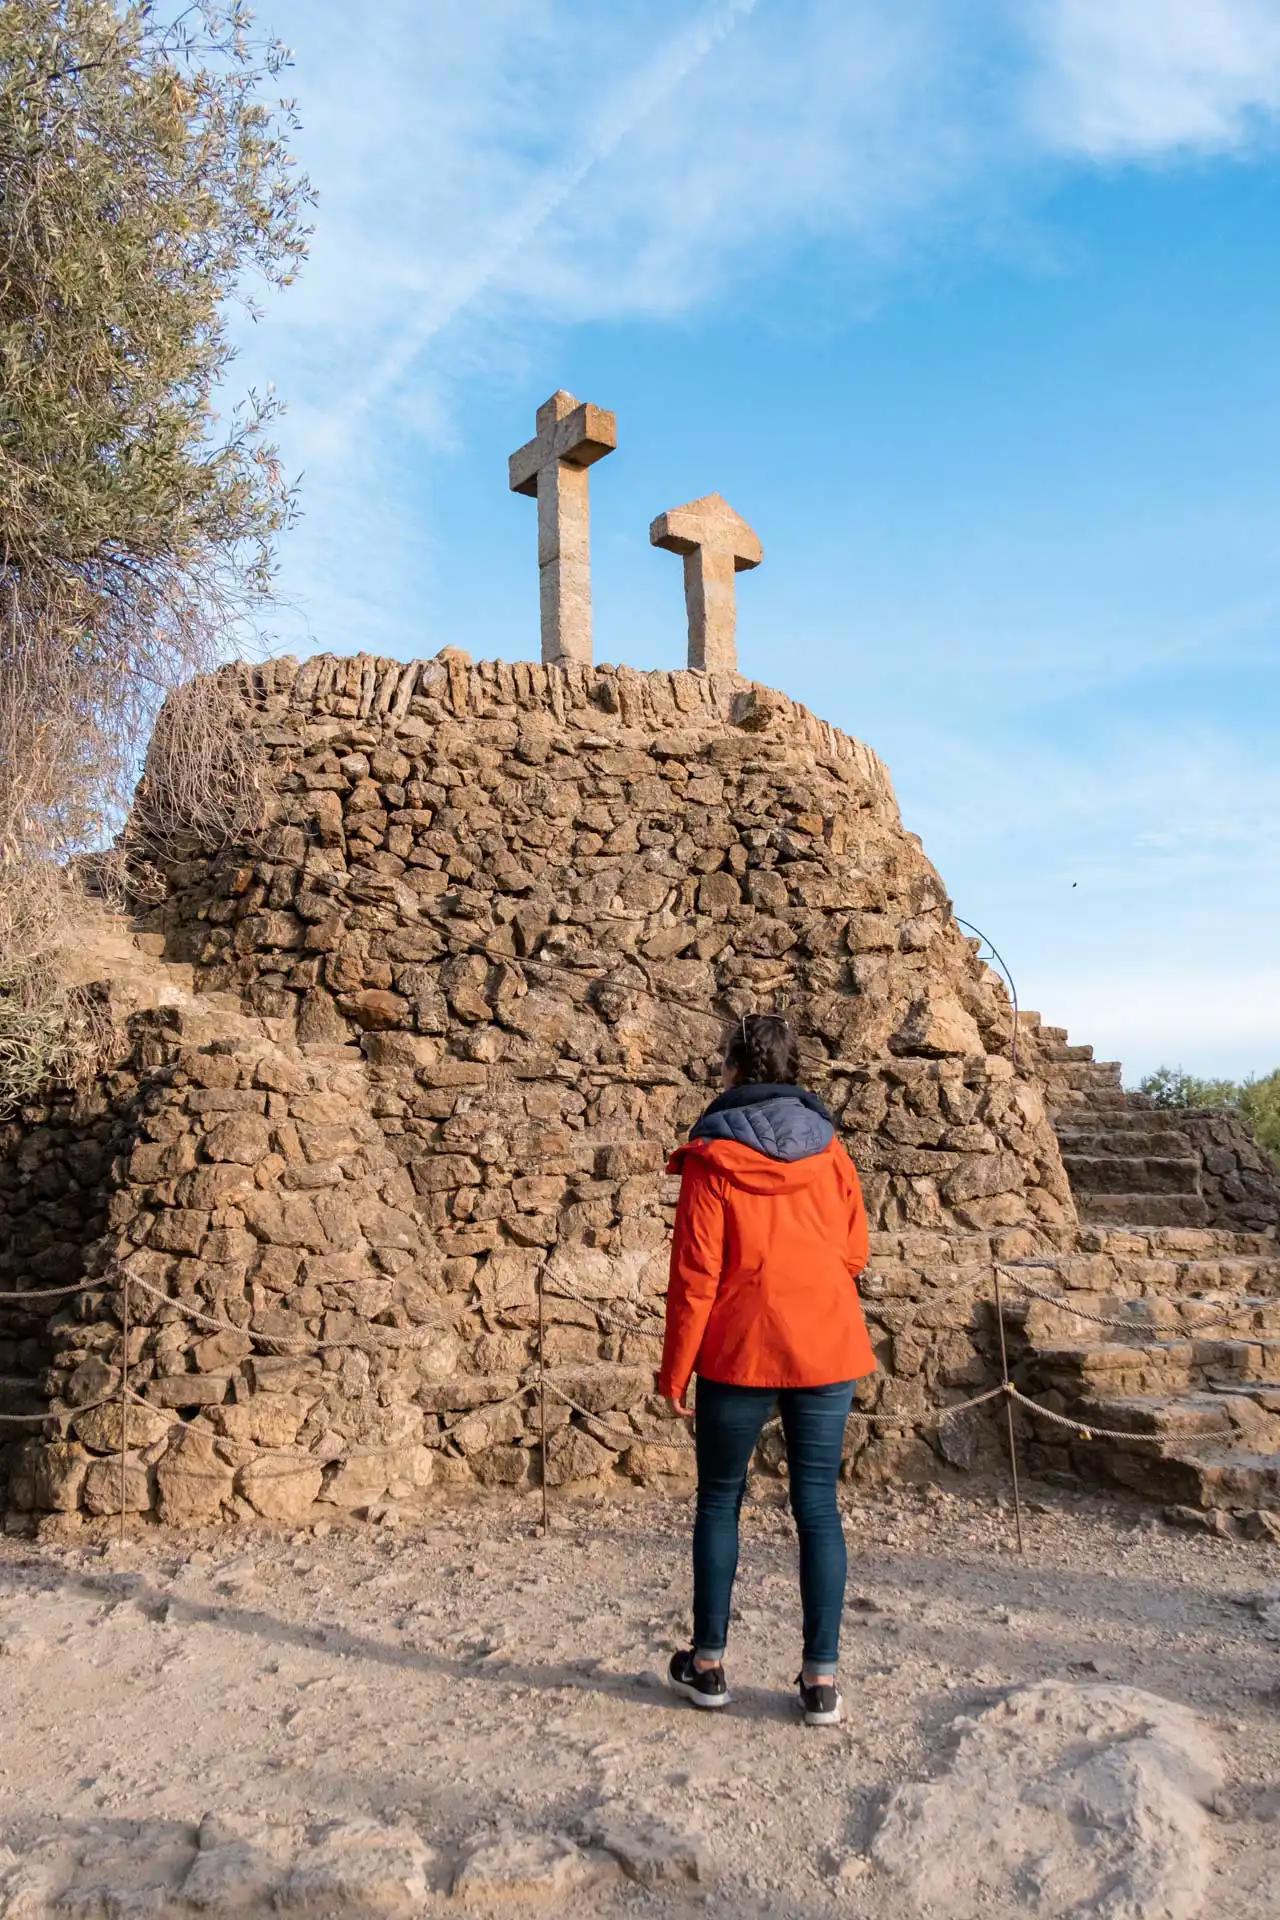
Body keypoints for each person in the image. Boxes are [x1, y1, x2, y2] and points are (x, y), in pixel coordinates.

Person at [657, 1012, 874, 1727]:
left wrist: (675, 1371)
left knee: (720, 1499)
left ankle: (710, 1664)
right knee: (817, 1507)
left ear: (733, 1069)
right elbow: (853, 1253)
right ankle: (820, 1681)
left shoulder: (713, 1155)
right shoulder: (831, 1151)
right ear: (793, 1069)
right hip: (823, 1342)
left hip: (740, 1345)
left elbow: (695, 1274)